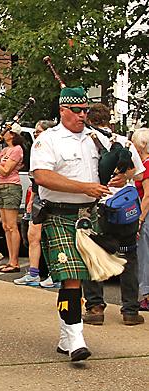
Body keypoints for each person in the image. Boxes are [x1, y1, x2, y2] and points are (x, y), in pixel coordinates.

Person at [30, 87, 125, 361]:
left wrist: (119, 176)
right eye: (77, 111)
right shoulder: (48, 140)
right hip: (59, 214)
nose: (83, 115)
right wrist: (84, 187)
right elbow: (42, 177)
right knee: (71, 277)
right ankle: (75, 337)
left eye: (85, 110)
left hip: (87, 216)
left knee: (77, 278)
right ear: (63, 111)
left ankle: (65, 335)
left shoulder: (96, 139)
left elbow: (126, 169)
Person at [81, 103, 144, 325]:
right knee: (128, 258)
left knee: (93, 256)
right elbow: (139, 175)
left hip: (96, 205)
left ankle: (95, 308)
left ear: (89, 118)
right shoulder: (123, 141)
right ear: (109, 119)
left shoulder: (85, 141)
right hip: (125, 208)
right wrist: (124, 177)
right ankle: (130, 311)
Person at [15, 120, 58, 287]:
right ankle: (33, 274)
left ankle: (55, 275)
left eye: (38, 131)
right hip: (39, 196)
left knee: (49, 237)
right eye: (35, 132)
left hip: (52, 197)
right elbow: (35, 180)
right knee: (33, 235)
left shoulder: (53, 148)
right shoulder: (36, 149)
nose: (35, 134)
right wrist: (31, 199)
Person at [0, 123, 25, 273]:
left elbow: (5, 170)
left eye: (5, 131)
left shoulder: (17, 150)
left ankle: (14, 261)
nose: (2, 133)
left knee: (12, 225)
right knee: (5, 225)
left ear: (12, 134)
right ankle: (10, 259)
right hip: (1, 186)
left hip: (12, 186)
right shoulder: (4, 150)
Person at [132, 129, 149, 311]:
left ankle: (147, 295)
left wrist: (140, 219)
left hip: (146, 215)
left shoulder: (147, 165)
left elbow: (148, 195)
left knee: (145, 255)